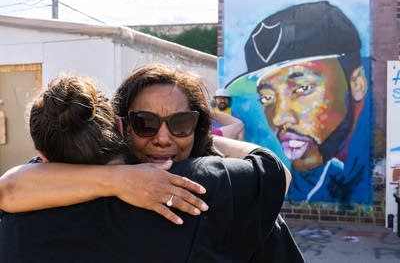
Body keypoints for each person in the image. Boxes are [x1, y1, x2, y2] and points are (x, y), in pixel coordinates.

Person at [0, 66, 303, 262]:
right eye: (145, 123)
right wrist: (121, 180)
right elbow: (275, 171)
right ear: (122, 127)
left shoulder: (31, 205)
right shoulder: (211, 187)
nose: (162, 138)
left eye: (181, 122)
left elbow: (10, 188)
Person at [226, 1, 371, 204]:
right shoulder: (299, 178)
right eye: (267, 98)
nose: (278, 118)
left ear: (357, 84)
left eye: (302, 88)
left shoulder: (362, 167)